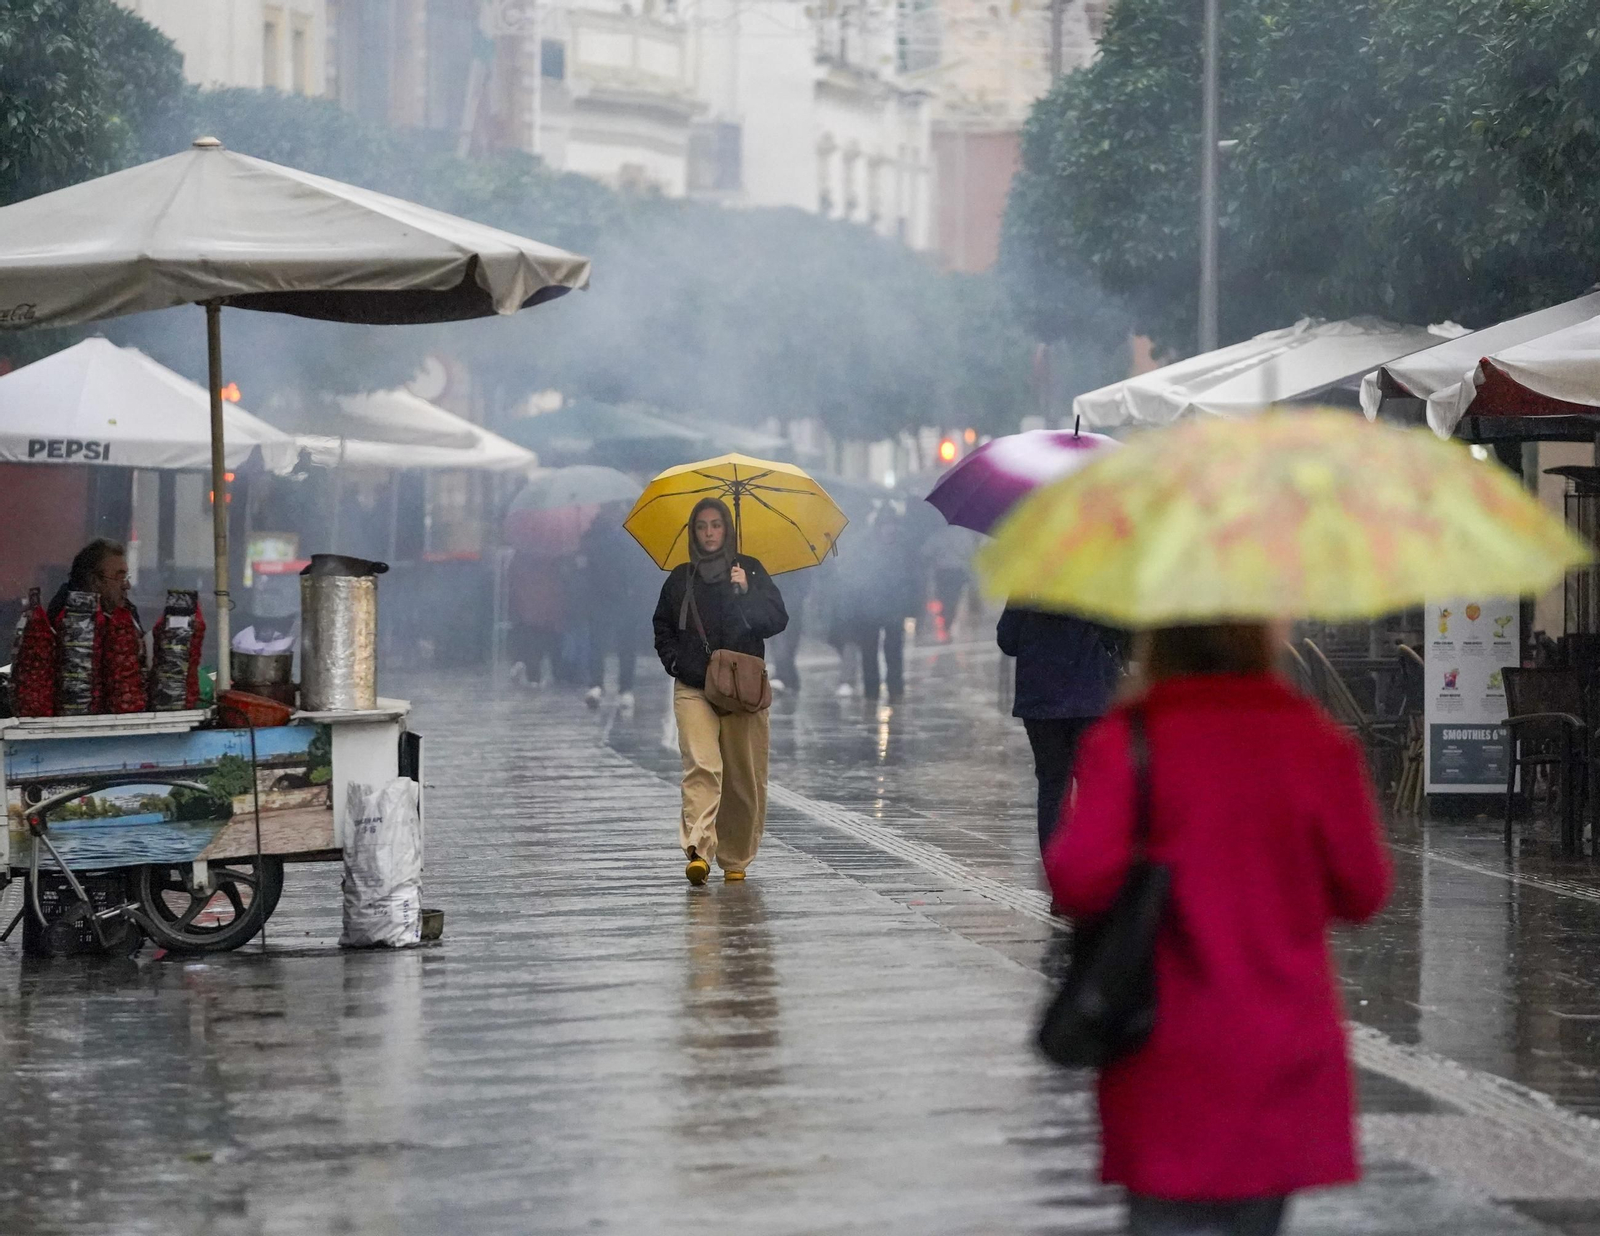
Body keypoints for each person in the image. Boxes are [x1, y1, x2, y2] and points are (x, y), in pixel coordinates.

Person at [1045, 623, 1391, 1236]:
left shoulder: (1129, 741)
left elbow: (1077, 880)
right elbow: (1363, 890)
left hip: (1164, 1057)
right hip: (1281, 1051)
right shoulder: (1314, 740)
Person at [652, 498, 788, 885]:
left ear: (727, 529)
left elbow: (776, 620)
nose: (709, 533)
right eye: (701, 527)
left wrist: (746, 591)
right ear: (693, 532)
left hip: (743, 690)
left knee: (744, 778)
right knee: (702, 766)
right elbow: (662, 627)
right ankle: (698, 849)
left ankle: (735, 857)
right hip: (695, 686)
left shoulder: (750, 570)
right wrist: (677, 664)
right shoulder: (681, 579)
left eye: (716, 525)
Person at [997, 606, 1122, 853]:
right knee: (1092, 787)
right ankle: (1090, 867)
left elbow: (1007, 639)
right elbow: (1118, 634)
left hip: (1041, 700)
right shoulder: (1095, 580)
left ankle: (1056, 873)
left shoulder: (1029, 582)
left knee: (1052, 787)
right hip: (1091, 700)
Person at [579, 502, 650, 711]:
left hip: (622, 597)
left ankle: (623, 689)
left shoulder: (627, 535)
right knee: (600, 643)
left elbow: (639, 566)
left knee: (623, 644)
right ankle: (599, 685)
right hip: (603, 596)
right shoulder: (595, 535)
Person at [848, 506, 920, 701]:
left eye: (892, 524)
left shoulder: (905, 546)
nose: (889, 529)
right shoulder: (863, 545)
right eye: (886, 525)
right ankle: (871, 689)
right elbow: (854, 574)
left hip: (895, 607)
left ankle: (895, 687)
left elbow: (913, 578)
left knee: (894, 649)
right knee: (869, 650)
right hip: (868, 607)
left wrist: (912, 606)